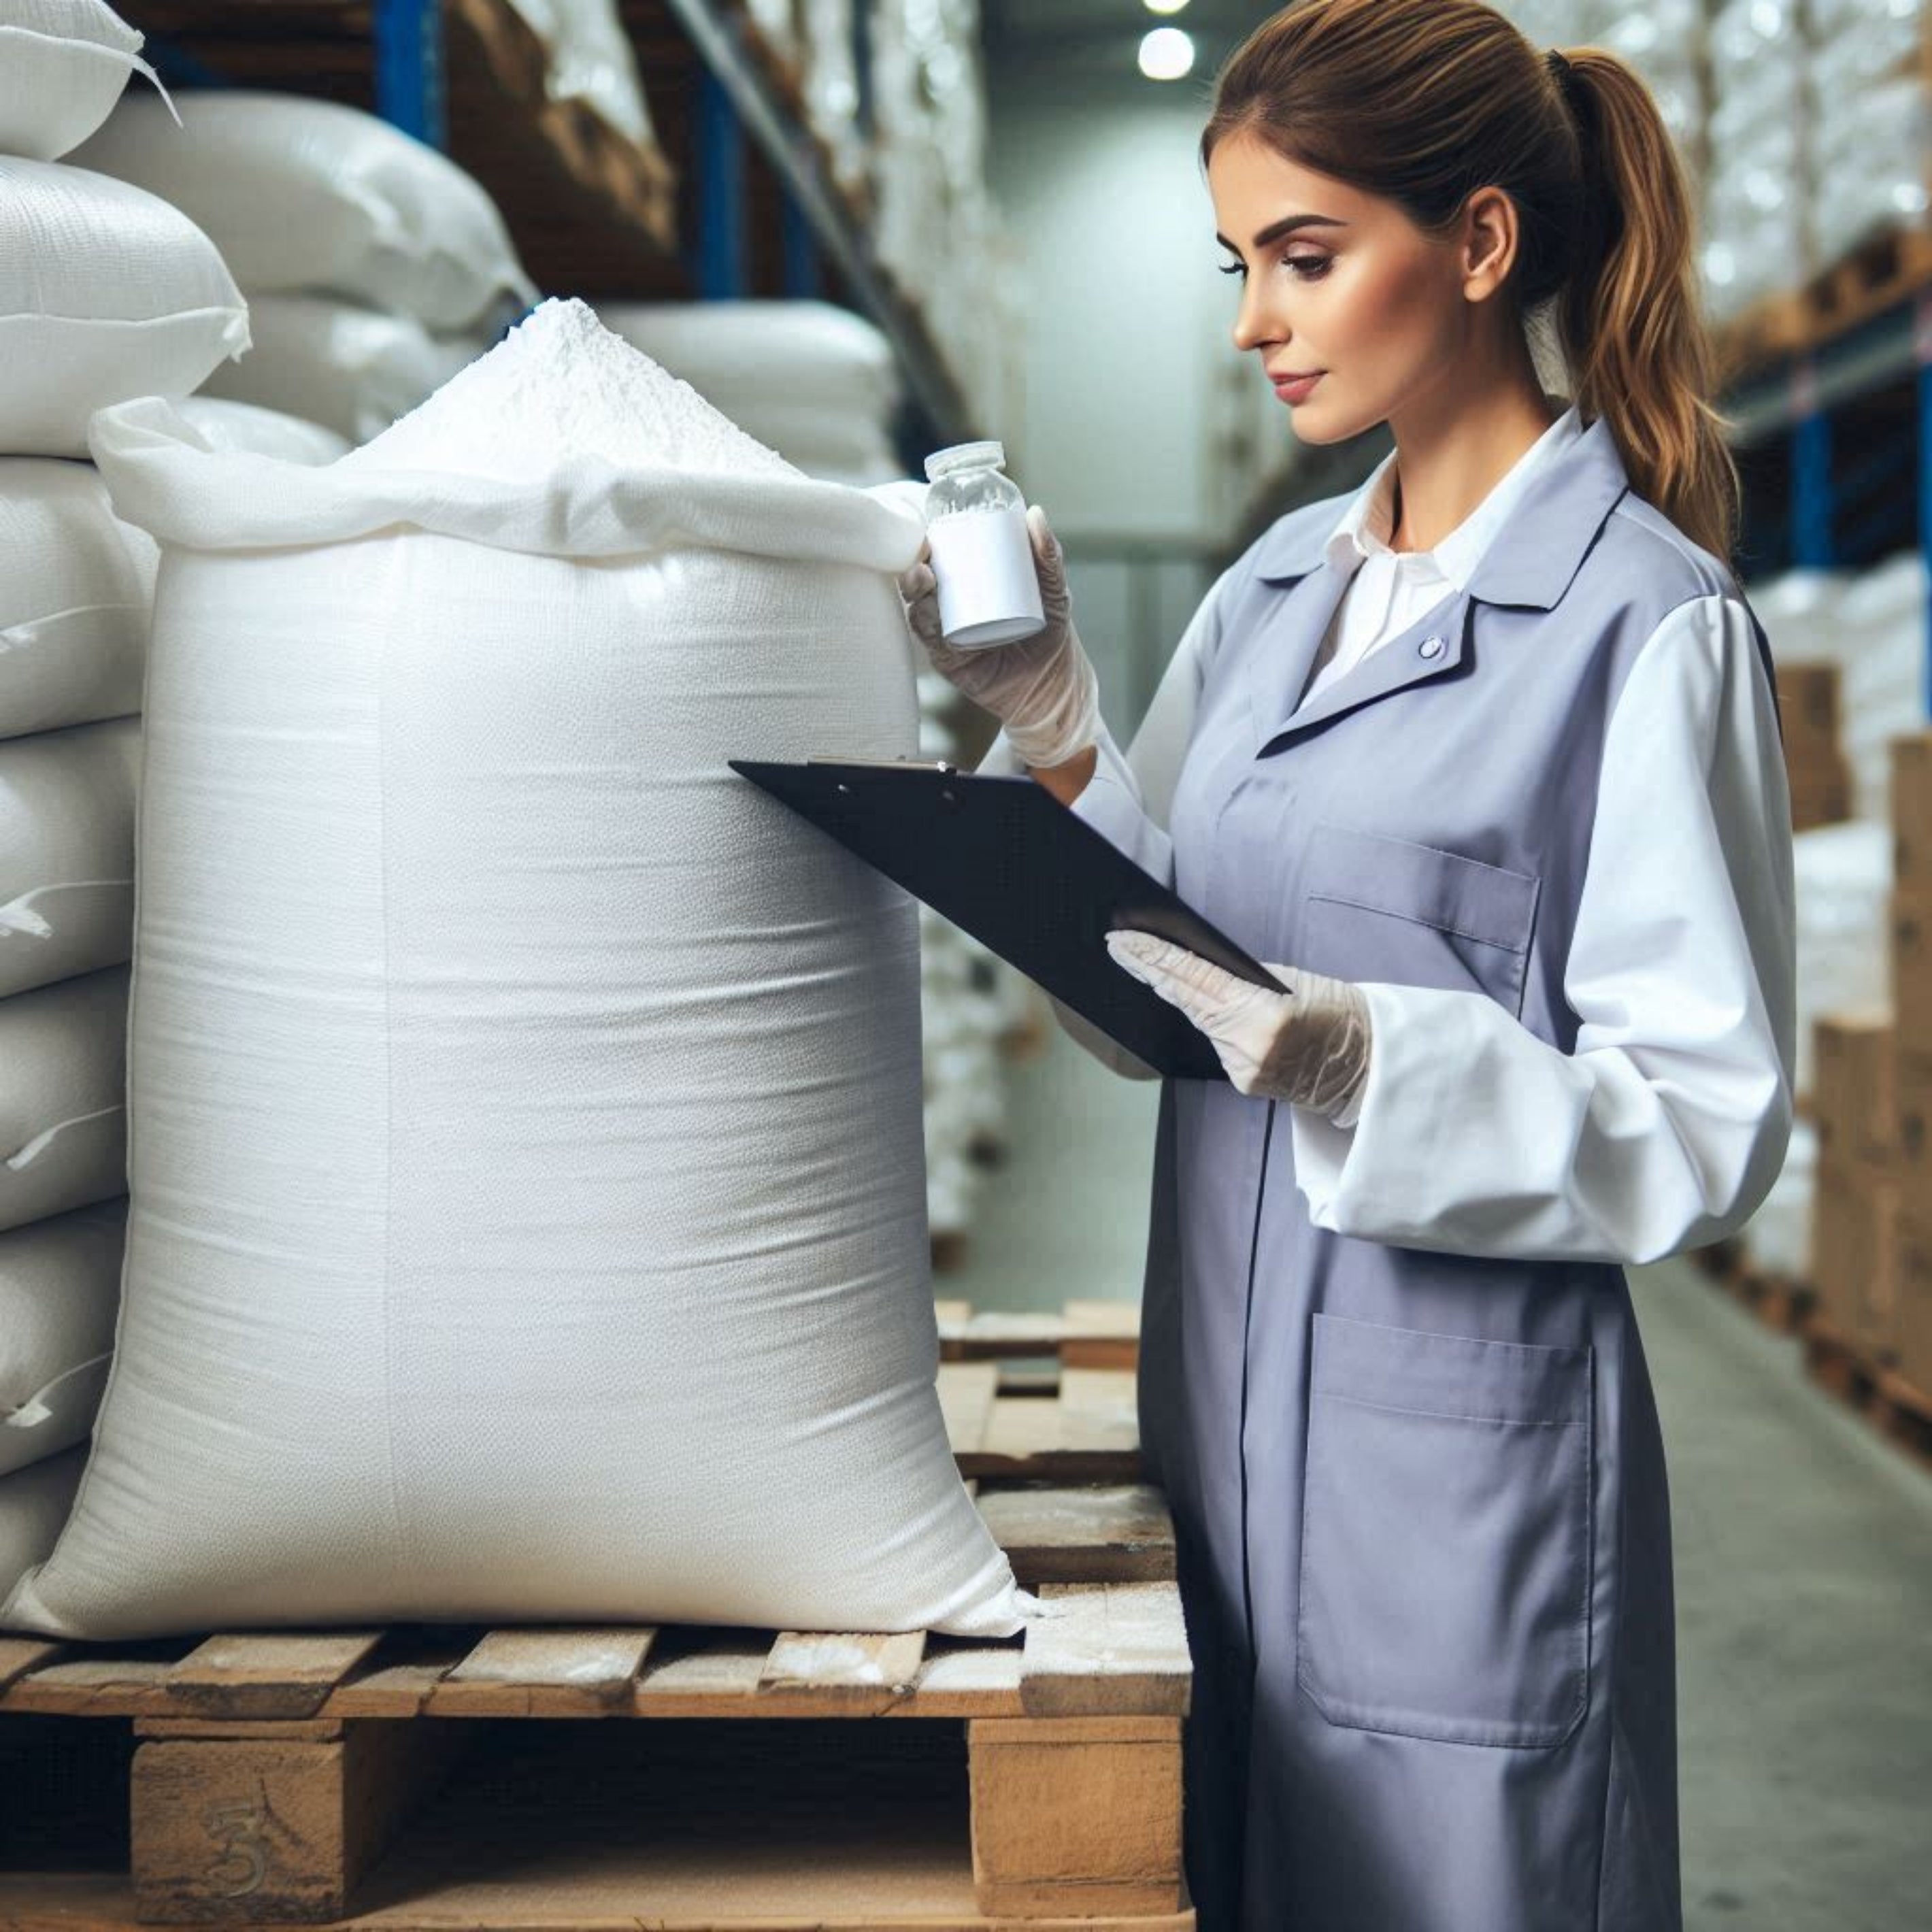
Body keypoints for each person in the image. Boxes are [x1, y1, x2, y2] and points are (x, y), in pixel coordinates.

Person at [899, 3, 1796, 1927]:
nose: (1255, 322)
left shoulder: (1648, 628)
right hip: (1216, 1425)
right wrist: (1061, 739)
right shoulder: (1275, 591)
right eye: (1242, 267)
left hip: (1457, 1487)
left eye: (1305, 261)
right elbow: (1168, 993)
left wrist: (1366, 1063)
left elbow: (1702, 1124)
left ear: (1476, 246)